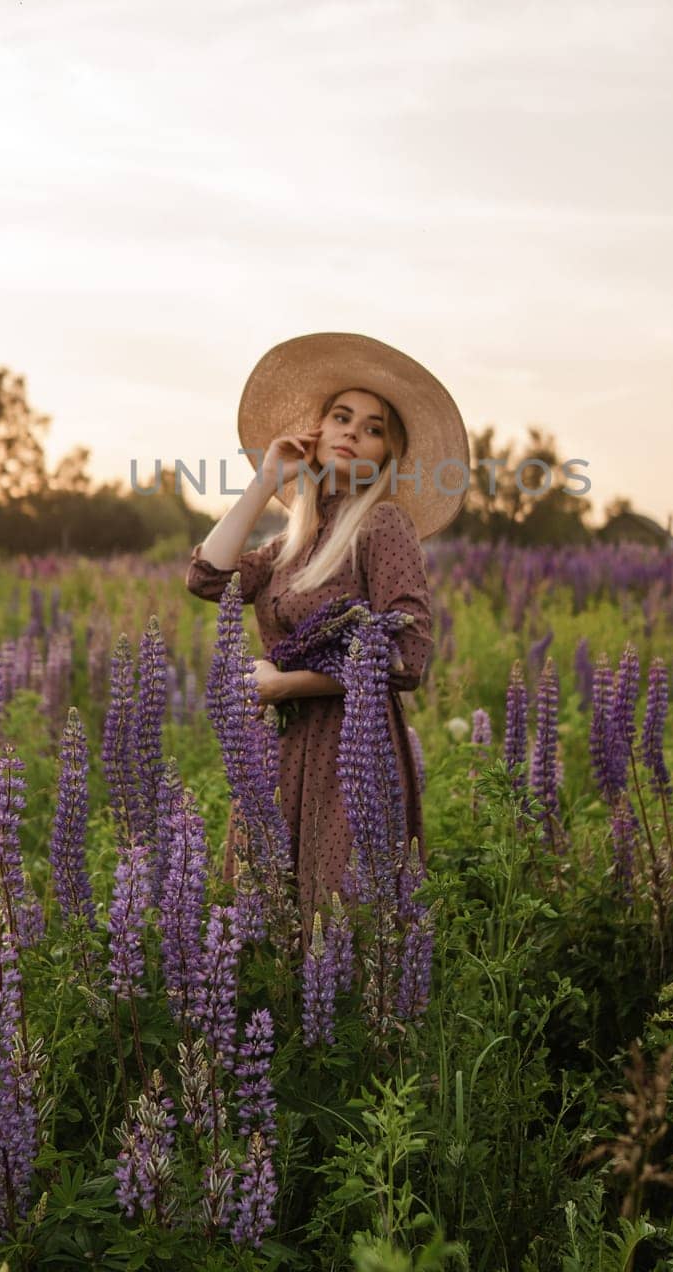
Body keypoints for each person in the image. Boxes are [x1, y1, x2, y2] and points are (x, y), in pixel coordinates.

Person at [184, 331, 467, 939]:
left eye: (371, 428)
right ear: (316, 432)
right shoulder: (293, 541)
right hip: (278, 755)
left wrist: (284, 685)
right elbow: (207, 576)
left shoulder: (383, 525)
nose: (350, 432)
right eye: (340, 417)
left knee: (337, 920)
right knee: (265, 916)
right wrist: (266, 481)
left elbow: (405, 654)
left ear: (385, 454)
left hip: (352, 755)